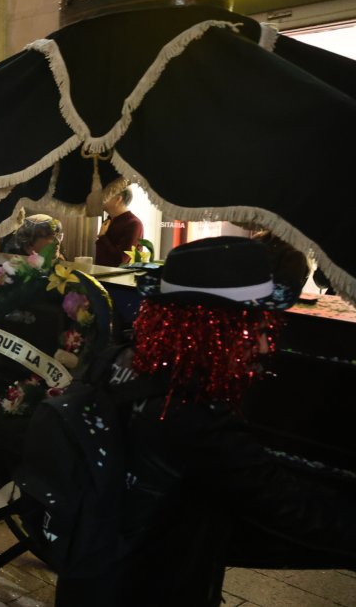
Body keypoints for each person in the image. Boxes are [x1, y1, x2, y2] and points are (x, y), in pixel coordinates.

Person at [54, 236, 356, 606]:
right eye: (253, 330)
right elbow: (285, 504)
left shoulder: (117, 357)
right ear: (209, 330)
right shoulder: (196, 414)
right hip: (149, 590)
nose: (265, 347)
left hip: (88, 573)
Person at [94, 187, 144, 266]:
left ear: (118, 199)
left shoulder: (134, 224)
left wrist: (102, 237)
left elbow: (121, 260)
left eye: (105, 195)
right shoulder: (109, 220)